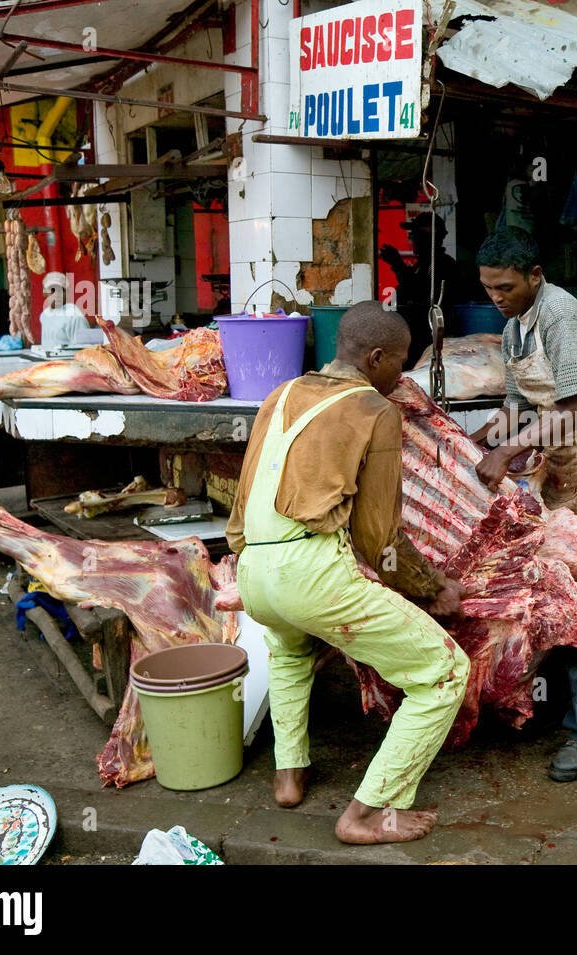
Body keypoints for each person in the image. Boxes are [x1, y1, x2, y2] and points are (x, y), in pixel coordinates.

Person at [226, 300, 468, 844]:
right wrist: (431, 589)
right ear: (377, 358)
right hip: (309, 574)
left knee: (290, 651)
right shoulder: (374, 410)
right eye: (401, 364)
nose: (402, 377)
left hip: (254, 571)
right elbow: (378, 540)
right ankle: (366, 813)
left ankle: (289, 777)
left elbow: (241, 507)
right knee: (445, 672)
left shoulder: (278, 394)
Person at [470, 227, 577, 782]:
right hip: (556, 460)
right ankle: (559, 707)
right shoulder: (518, 321)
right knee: (552, 585)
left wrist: (512, 447)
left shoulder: (561, 316)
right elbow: (525, 395)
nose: (496, 297)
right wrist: (495, 427)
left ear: (536, 276)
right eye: (489, 288)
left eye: (506, 286)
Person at [379, 212, 461, 369]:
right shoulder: (423, 264)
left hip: (427, 337)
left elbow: (420, 293)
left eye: (414, 235)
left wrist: (397, 264)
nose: (411, 240)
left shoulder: (442, 264)